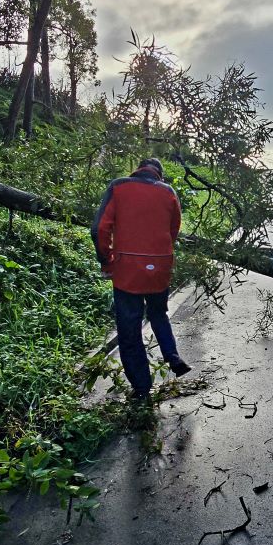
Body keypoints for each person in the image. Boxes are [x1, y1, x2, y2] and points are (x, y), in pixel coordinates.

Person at [91, 158, 191, 404]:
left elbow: (99, 230)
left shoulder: (118, 186)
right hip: (160, 266)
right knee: (158, 313)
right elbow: (173, 230)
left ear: (137, 169)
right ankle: (172, 354)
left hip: (128, 270)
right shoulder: (168, 192)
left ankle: (142, 388)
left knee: (129, 330)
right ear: (159, 174)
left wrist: (106, 261)